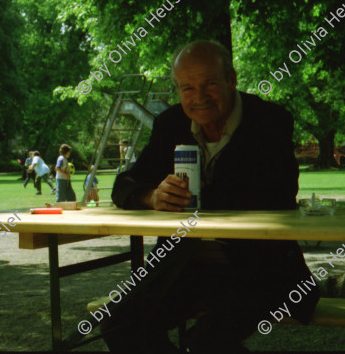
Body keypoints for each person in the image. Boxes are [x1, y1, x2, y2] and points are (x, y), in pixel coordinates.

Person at [102, 41, 319, 353]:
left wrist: (203, 193)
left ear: (231, 79)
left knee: (207, 342)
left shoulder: (269, 121)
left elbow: (279, 193)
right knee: (119, 323)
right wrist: (152, 196)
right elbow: (125, 183)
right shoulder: (170, 124)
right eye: (187, 87)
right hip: (184, 267)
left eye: (209, 84)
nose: (199, 97)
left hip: (258, 269)